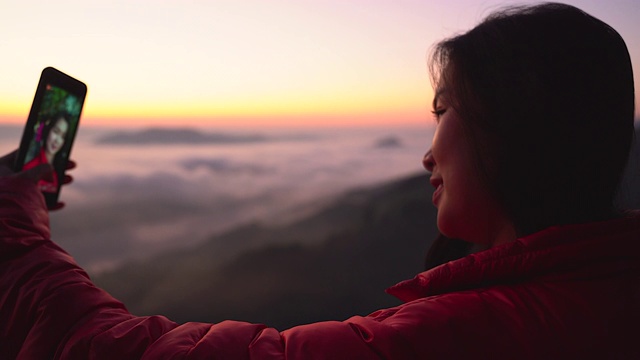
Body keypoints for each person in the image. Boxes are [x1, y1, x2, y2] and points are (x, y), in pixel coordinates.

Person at [1, 3, 638, 359]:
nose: (425, 155)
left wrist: (15, 222)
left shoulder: (467, 336)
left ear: (508, 128)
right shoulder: (605, 297)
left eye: (442, 113)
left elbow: (99, 351)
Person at [21, 114, 69, 193]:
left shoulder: (58, 170)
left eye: (63, 136)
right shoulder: (29, 168)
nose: (58, 140)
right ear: (48, 130)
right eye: (56, 131)